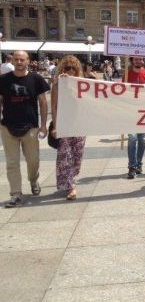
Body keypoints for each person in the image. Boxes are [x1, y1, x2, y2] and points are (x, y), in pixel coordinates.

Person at [0, 51, 49, 207]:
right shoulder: (3, 80)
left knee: (33, 161)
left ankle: (33, 180)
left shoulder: (36, 79)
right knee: (12, 163)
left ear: (28, 61)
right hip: (8, 126)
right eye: (16, 59)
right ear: (12, 61)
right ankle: (15, 194)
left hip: (30, 127)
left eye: (22, 59)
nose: (19, 61)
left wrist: (43, 125)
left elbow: (43, 102)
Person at [50, 55, 86, 201]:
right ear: (61, 69)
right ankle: (71, 186)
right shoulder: (58, 85)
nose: (70, 70)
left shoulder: (83, 84)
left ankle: (71, 178)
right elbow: (54, 106)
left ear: (77, 70)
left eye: (73, 68)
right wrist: (55, 126)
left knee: (77, 157)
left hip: (79, 125)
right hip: (64, 125)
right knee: (65, 156)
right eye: (66, 68)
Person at [125, 56, 145, 179]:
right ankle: (132, 166)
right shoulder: (127, 75)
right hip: (131, 111)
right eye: (136, 59)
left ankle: (139, 164)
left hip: (144, 112)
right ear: (132, 61)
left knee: (142, 139)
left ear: (143, 61)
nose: (138, 61)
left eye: (140, 59)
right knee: (132, 138)